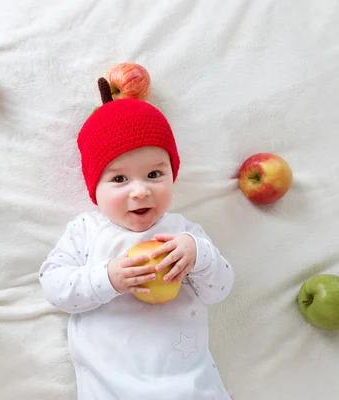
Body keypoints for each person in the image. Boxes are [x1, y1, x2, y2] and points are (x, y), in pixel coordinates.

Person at [39, 80, 235, 399]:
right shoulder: (86, 231)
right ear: (94, 189)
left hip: (189, 386)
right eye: (119, 179)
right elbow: (53, 286)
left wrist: (199, 256)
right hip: (111, 387)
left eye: (155, 175)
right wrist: (108, 278)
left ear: (173, 175)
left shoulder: (181, 232)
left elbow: (220, 290)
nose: (140, 191)